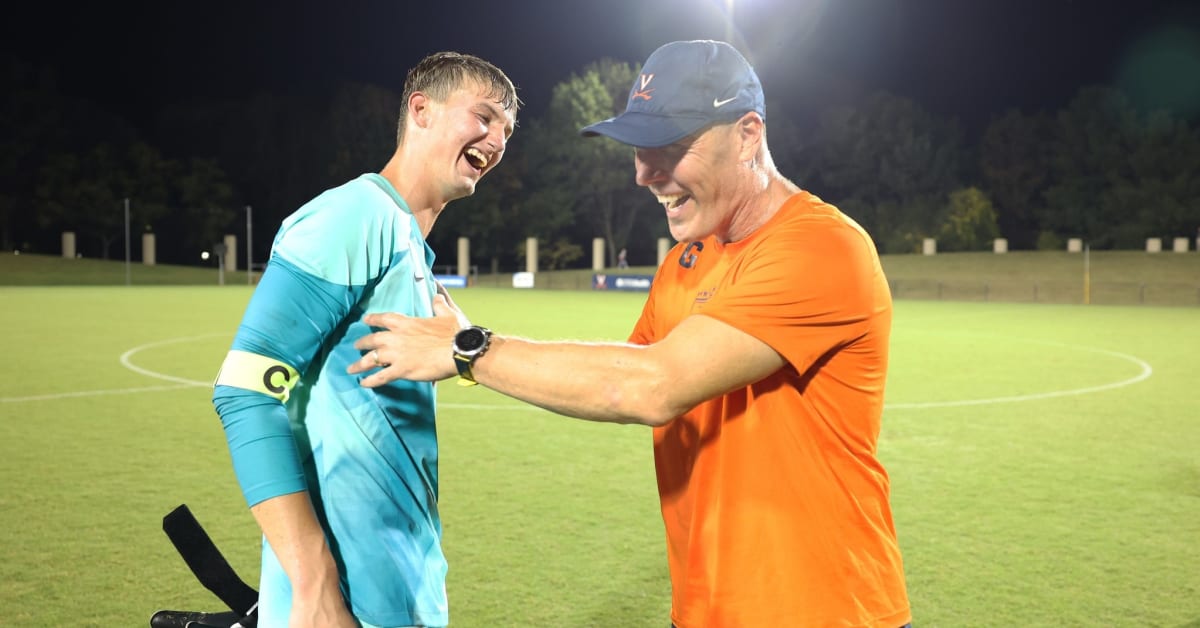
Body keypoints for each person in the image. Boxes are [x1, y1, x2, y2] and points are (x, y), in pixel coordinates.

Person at [348, 40, 910, 627]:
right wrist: (464, 338)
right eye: (641, 150)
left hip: (824, 610)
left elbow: (650, 386)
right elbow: (615, 374)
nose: (645, 174)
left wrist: (467, 349)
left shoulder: (821, 247)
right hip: (703, 610)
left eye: (669, 147)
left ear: (747, 135)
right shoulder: (685, 263)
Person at [211, 51, 518, 628]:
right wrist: (314, 582)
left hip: (395, 580)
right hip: (340, 599)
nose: (497, 139)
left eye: (506, 129)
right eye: (484, 116)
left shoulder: (410, 247)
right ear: (421, 111)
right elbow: (244, 391)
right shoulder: (355, 215)